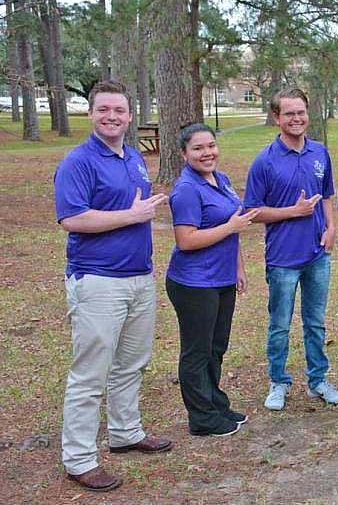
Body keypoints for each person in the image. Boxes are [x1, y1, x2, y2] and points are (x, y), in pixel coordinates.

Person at [54, 80, 172, 493]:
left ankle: (126, 432)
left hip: (139, 278)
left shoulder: (134, 156)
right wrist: (132, 215)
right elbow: (72, 219)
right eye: (104, 110)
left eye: (119, 111)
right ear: (91, 114)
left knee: (131, 363)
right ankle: (80, 459)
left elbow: (135, 210)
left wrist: (138, 215)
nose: (112, 117)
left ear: (129, 115)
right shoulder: (78, 162)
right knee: (91, 374)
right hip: (98, 281)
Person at [244, 87, 338, 408]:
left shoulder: (319, 153)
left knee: (315, 322)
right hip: (283, 258)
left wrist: (330, 228)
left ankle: (317, 380)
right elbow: (253, 211)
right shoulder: (264, 161)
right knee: (280, 325)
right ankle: (278, 382)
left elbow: (326, 195)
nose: (296, 118)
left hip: (317, 255)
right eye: (289, 113)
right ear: (276, 117)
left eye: (300, 112)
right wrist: (293, 211)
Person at [166, 123, 259, 436]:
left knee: (216, 346)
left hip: (221, 278)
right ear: (184, 153)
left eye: (210, 146)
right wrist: (230, 228)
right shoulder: (186, 190)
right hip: (194, 283)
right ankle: (202, 417)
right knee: (197, 350)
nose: (207, 153)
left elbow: (233, 227)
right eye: (198, 148)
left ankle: (215, 401)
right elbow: (186, 240)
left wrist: (239, 268)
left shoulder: (221, 179)